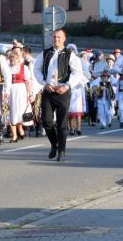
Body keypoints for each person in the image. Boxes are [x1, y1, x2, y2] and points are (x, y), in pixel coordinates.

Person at [35, 29, 87, 162]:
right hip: (49, 89)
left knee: (62, 123)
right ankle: (55, 144)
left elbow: (77, 73)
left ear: (64, 39)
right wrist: (44, 83)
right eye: (54, 37)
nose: (56, 39)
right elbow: (36, 69)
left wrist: (67, 85)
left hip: (63, 90)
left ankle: (62, 151)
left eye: (59, 37)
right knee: (46, 121)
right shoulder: (45, 53)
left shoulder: (70, 55)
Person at [3, 44, 37, 143]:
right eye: (11, 60)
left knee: (20, 112)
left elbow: (28, 81)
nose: (12, 62)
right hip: (11, 90)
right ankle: (14, 135)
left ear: (18, 60)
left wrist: (30, 94)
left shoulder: (23, 68)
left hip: (21, 91)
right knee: (12, 112)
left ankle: (21, 129)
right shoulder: (8, 69)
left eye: (14, 60)